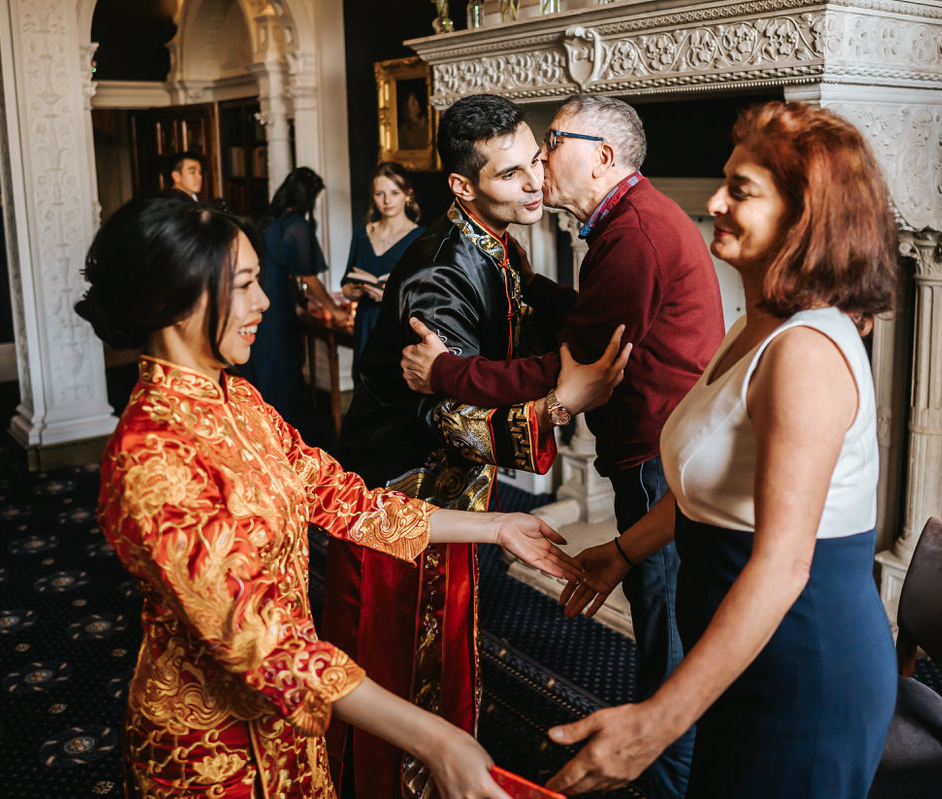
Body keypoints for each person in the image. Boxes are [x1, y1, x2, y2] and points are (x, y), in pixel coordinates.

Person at [73, 195, 583, 798]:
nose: (263, 301)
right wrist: (437, 739)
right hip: (211, 751)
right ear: (171, 301)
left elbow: (347, 501)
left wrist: (497, 527)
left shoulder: (240, 401)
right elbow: (258, 638)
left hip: (294, 721)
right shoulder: (150, 455)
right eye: (241, 285)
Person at [544, 101, 900, 798]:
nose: (713, 203)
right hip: (742, 654)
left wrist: (657, 721)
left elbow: (783, 564)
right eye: (723, 183)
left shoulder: (806, 351)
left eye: (740, 190)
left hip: (803, 666)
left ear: (805, 217)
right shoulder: (757, 325)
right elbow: (713, 488)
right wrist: (621, 552)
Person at [401, 93, 723, 799]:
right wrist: (525, 284)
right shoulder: (629, 223)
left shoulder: (633, 234)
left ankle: (666, 782)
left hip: (661, 467)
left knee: (667, 653)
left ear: (603, 157)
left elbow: (568, 369)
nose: (542, 163)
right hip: (662, 454)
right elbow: (587, 319)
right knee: (662, 636)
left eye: (551, 144)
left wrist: (445, 370)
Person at [323, 94, 629, 799]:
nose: (534, 183)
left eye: (535, 164)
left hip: (449, 490)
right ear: (463, 186)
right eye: (509, 175)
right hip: (397, 494)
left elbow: (527, 297)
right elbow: (448, 415)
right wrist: (564, 400)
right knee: (396, 657)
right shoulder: (439, 269)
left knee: (449, 637)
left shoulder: (493, 239)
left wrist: (609, 308)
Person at [241, 166, 349, 430]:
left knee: (264, 365)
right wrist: (335, 311)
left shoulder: (270, 219)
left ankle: (259, 427)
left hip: (258, 297)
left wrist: (303, 301)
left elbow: (286, 271)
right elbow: (309, 278)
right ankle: (281, 433)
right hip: (275, 304)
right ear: (307, 196)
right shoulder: (296, 224)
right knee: (281, 367)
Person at [341, 162, 425, 367]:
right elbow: (345, 286)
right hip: (366, 322)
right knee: (362, 386)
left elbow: (427, 294)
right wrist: (354, 291)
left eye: (394, 193)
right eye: (379, 194)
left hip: (398, 326)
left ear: (408, 195)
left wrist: (391, 294)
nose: (387, 200)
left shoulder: (421, 238)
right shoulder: (362, 234)